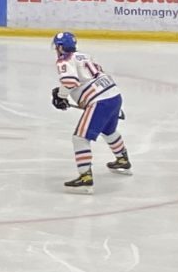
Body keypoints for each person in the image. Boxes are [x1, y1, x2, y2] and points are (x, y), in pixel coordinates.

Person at [50, 32, 131, 194]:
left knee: (80, 138)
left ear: (60, 47)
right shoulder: (84, 56)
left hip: (99, 101)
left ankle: (85, 176)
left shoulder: (64, 60)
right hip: (114, 95)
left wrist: (61, 96)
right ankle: (122, 160)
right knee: (108, 130)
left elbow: (70, 82)